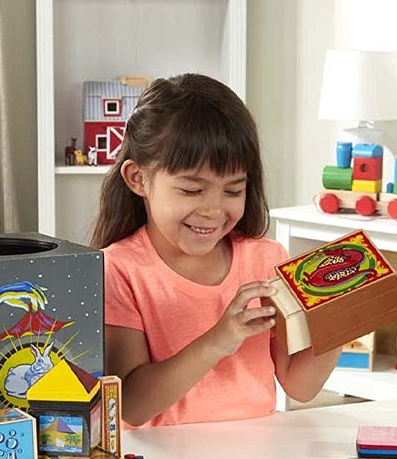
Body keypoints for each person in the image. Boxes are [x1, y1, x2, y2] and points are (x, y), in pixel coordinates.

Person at [91, 73, 341, 427]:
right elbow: (130, 405)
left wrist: (340, 326)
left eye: (233, 191)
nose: (212, 210)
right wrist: (219, 339)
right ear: (138, 179)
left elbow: (300, 386)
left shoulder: (267, 258)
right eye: (192, 191)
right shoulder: (119, 270)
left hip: (255, 456)